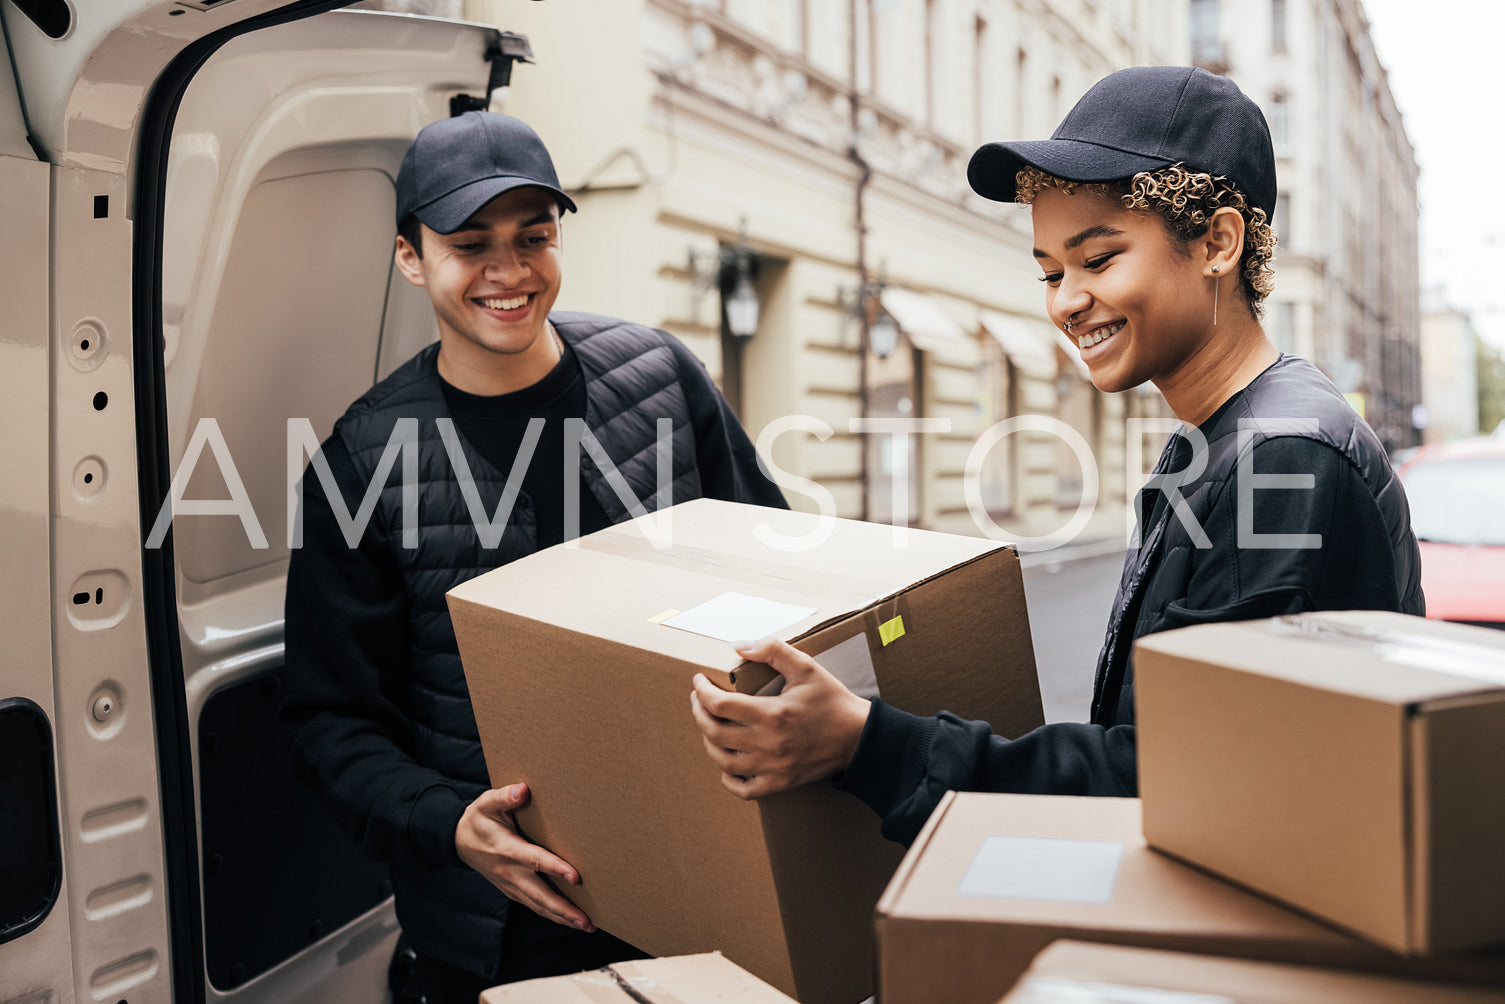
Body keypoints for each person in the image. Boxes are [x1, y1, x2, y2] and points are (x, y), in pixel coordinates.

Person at [689, 65, 1423, 847]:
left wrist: (867, 745)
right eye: (1049, 271)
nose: (1066, 301)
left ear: (1216, 242)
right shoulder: (1230, 436)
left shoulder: (1281, 459)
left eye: (1097, 259)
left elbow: (1179, 781)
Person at [280, 111, 786, 1003]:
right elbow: (332, 722)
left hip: (704, 875)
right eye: (471, 244)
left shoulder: (662, 376)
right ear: (410, 257)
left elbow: (777, 576)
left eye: (533, 238)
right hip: (496, 926)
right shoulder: (360, 461)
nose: (508, 273)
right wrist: (449, 826)